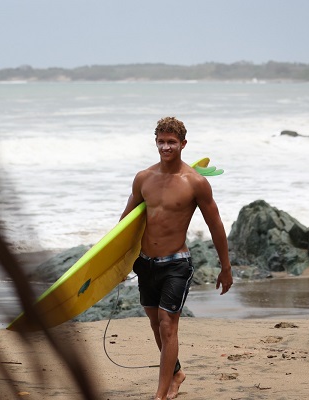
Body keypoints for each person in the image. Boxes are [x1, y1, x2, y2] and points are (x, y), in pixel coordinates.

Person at [120, 116, 233, 400]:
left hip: (176, 264)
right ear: (155, 142)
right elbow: (125, 223)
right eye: (161, 141)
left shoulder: (195, 183)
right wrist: (114, 264)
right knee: (156, 324)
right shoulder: (143, 178)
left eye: (171, 142)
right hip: (145, 263)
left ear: (183, 144)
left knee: (168, 324)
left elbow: (215, 225)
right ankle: (177, 372)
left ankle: (160, 394)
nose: (166, 147)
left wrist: (226, 267)